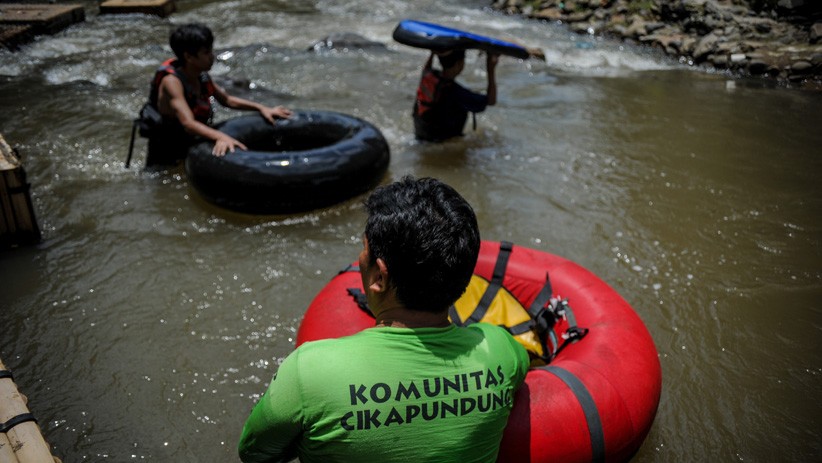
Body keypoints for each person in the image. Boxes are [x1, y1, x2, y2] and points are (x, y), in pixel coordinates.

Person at [238, 176, 530, 463]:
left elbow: (254, 453)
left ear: (379, 276)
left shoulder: (308, 371)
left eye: (364, 249)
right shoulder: (501, 351)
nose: (360, 257)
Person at [143, 23, 292, 167]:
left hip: (190, 141)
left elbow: (227, 100)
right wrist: (221, 136)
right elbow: (188, 123)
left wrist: (262, 108)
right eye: (206, 53)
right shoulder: (172, 82)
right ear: (189, 57)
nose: (212, 56)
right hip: (167, 147)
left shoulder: (201, 76)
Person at [412, 49, 499, 142]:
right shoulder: (458, 94)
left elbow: (427, 67)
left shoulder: (428, 76)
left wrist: (433, 51)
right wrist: (491, 69)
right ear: (459, 64)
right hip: (443, 143)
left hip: (421, 138)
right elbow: (491, 101)